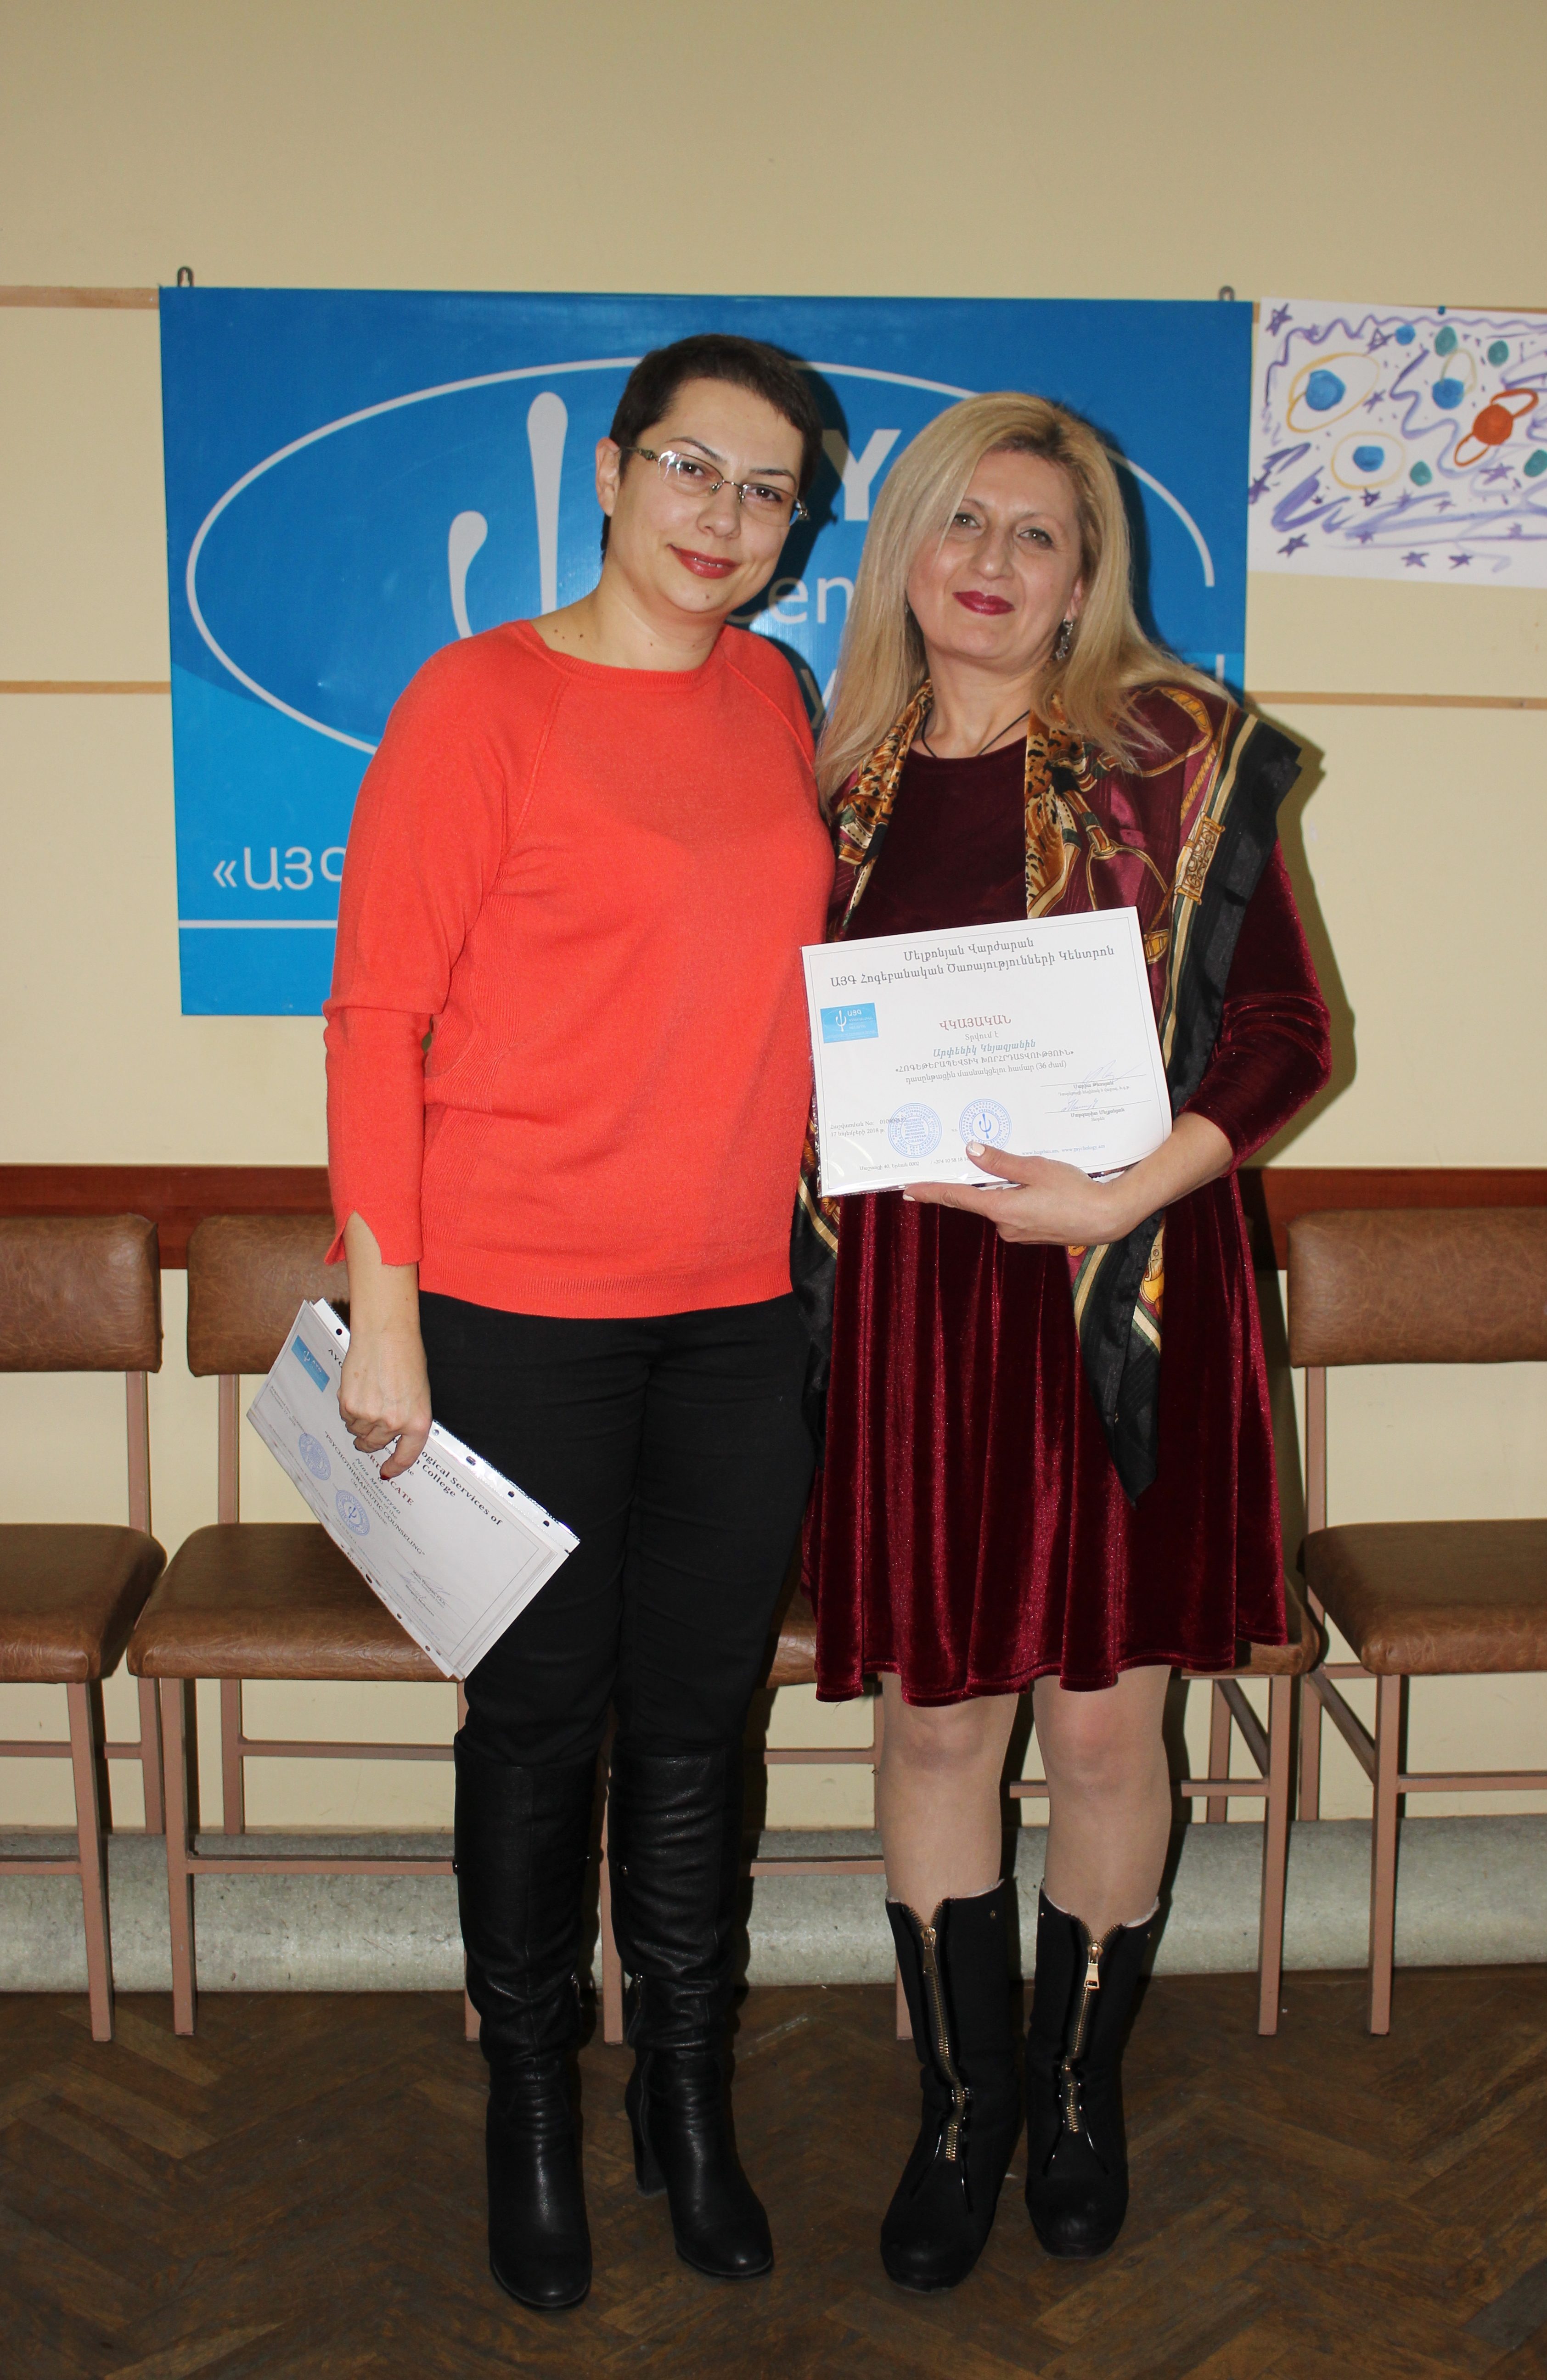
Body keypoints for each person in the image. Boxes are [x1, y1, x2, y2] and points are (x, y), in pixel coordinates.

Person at [796, 392, 1331, 2290]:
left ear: (1087, 574)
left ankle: (1079, 2097)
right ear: (905, 554)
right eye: (961, 523)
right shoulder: (826, 781)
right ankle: (963, 2109)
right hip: (913, 1317)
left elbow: (1287, 1037)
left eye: (1037, 533)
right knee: (937, 1717)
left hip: (1127, 1294)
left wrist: (1123, 1199)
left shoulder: (1169, 760)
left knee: (1107, 1723)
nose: (993, 562)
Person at [326, 335, 833, 2312]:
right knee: (539, 1725)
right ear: (613, 474)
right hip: (513, 1305)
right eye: (694, 469)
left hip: (739, 1313)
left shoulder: (773, 695)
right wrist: (387, 1312)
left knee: (701, 1724)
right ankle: (530, 2104)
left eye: (769, 491)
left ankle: (685, 2102)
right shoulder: (478, 700)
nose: (726, 518)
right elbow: (379, 1016)